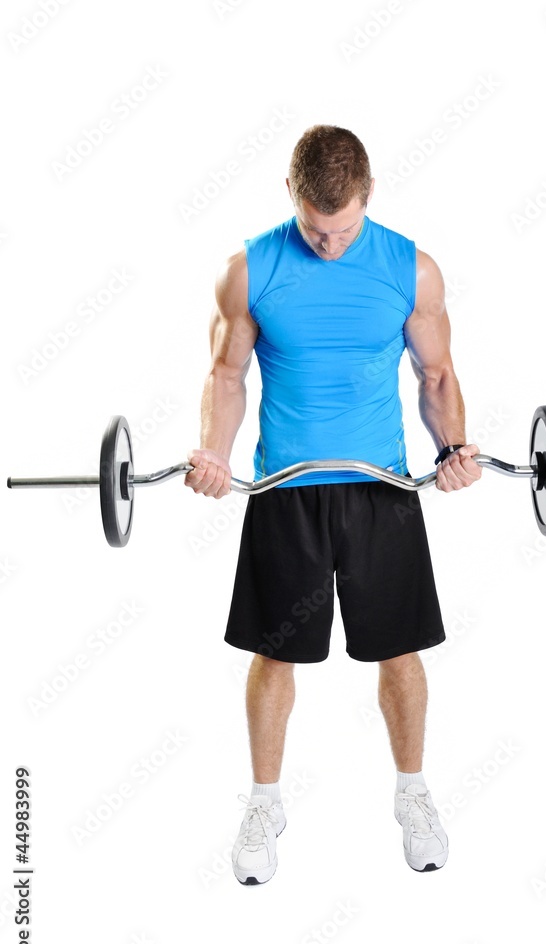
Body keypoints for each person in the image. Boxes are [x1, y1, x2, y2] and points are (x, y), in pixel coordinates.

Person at [184, 125, 482, 885]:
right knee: (275, 653)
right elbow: (227, 376)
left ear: (369, 198)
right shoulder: (249, 270)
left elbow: (438, 375)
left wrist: (454, 450)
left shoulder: (409, 269)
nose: (327, 242)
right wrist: (213, 454)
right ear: (291, 196)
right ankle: (264, 803)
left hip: (380, 488)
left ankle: (413, 795)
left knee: (398, 649)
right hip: (286, 491)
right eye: (316, 229)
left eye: (342, 228)